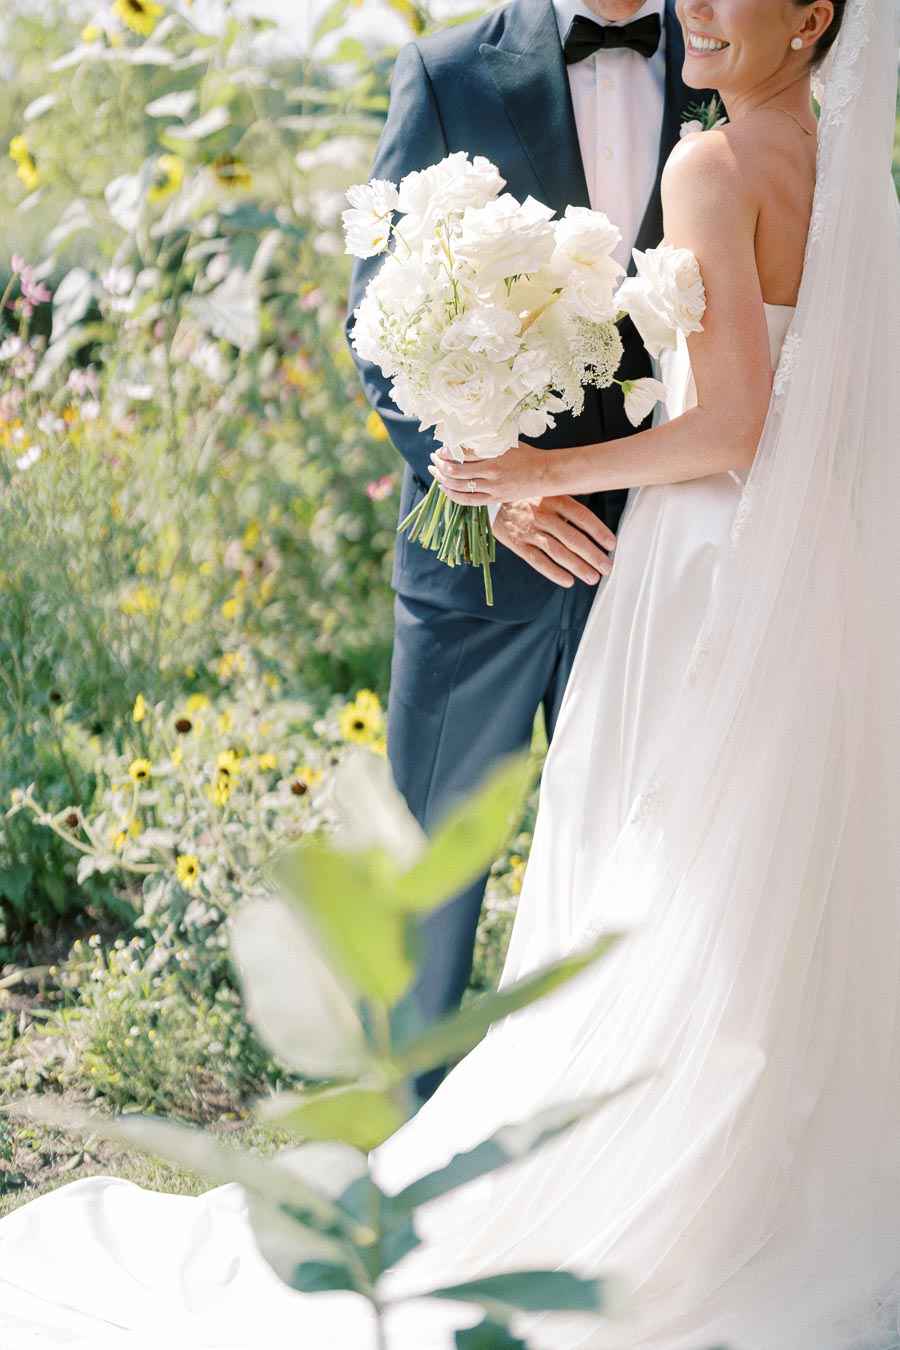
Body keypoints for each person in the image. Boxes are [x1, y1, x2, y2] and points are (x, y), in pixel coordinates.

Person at [1, 0, 898, 1345]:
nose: (699, 8)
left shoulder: (709, 148)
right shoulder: (835, 159)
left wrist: (544, 466)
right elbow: (385, 318)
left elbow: (733, 417)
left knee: (666, 877)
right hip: (747, 572)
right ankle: (678, 1164)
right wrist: (483, 470)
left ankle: (637, 1178)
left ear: (814, 17)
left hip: (691, 561)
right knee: (737, 868)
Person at [347, 0, 713, 1100]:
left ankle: (613, 1133)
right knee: (431, 872)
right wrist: (490, 484)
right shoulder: (447, 70)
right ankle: (399, 1149)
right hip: (477, 563)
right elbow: (382, 327)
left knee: (649, 863)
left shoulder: (728, 54)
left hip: (664, 553)